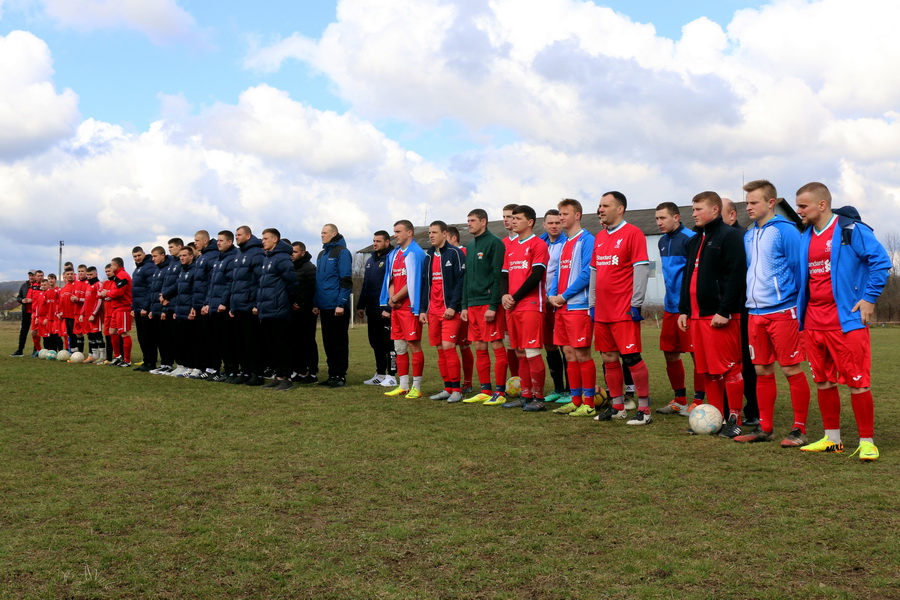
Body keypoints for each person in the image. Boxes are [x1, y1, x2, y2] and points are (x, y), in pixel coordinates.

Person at [795, 182, 890, 461]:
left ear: (821, 205)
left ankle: (867, 441)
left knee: (858, 382)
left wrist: (870, 298)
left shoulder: (850, 229)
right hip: (813, 322)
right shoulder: (805, 236)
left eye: (803, 206)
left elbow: (881, 261)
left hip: (846, 320)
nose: (799, 210)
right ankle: (832, 439)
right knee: (823, 381)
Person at [733, 180, 811, 446]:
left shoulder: (786, 231)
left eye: (753, 202)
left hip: (783, 311)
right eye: (746, 203)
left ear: (771, 202)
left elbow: (801, 272)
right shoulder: (749, 233)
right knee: (762, 370)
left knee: (791, 370)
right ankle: (764, 428)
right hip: (755, 313)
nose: (748, 207)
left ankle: (799, 430)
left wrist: (800, 311)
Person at [678, 191, 748, 438]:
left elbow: (737, 276)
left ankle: (735, 418)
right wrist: (684, 309)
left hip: (720, 316)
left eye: (698, 209)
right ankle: (715, 417)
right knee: (708, 370)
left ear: (715, 210)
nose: (693, 213)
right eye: (693, 209)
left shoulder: (730, 237)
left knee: (730, 368)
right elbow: (688, 277)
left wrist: (725, 310)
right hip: (697, 317)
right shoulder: (695, 239)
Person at [591, 191, 654, 425]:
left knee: (631, 357)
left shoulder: (633, 233)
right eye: (599, 205)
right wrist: (592, 304)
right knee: (608, 357)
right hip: (603, 311)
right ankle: (618, 406)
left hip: (624, 310)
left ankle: (645, 410)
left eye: (605, 205)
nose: (600, 209)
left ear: (620, 209)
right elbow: (595, 273)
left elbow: (641, 269)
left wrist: (636, 303)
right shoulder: (599, 237)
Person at [653, 202, 705, 415]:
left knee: (696, 354)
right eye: (657, 219)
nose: (659, 223)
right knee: (669, 353)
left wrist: (689, 305)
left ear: (676, 217)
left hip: (689, 308)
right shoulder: (663, 241)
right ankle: (679, 398)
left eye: (663, 218)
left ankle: (699, 399)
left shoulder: (691, 238)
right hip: (670, 307)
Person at [548, 199, 597, 416]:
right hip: (561, 307)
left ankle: (589, 403)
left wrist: (564, 296)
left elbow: (587, 273)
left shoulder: (587, 240)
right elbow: (559, 273)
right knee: (568, 353)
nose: (561, 218)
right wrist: (552, 294)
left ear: (577, 215)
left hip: (578, 306)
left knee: (582, 354)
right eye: (560, 213)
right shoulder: (565, 243)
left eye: (565, 214)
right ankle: (575, 400)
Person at [499, 205, 550, 411]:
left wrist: (515, 297)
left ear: (529, 222)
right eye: (512, 218)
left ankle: (539, 397)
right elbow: (504, 274)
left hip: (530, 305)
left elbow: (536, 275)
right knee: (519, 351)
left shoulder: (538, 244)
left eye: (518, 218)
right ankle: (526, 394)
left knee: (531, 351)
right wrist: (505, 295)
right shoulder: (510, 247)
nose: (513, 221)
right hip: (512, 306)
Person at [461, 209, 509, 405]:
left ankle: (500, 391)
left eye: (472, 220)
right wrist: (464, 305)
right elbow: (466, 278)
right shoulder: (470, 246)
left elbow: (499, 277)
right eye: (468, 220)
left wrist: (493, 304)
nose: (469, 224)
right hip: (472, 305)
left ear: (483, 221)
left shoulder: (495, 243)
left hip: (488, 304)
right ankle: (485, 390)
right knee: (479, 346)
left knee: (497, 344)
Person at [420, 220, 466, 403]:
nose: (431, 235)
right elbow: (425, 286)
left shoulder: (455, 254)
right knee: (440, 350)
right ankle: (447, 388)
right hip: (432, 312)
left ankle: (457, 390)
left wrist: (453, 306)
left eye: (434, 232)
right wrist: (423, 309)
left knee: (448, 348)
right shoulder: (428, 257)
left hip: (449, 311)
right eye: (429, 232)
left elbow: (461, 281)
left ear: (444, 234)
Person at [381, 220, 427, 398]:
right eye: (394, 231)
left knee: (413, 344)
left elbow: (414, 281)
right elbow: (390, 278)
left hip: (410, 308)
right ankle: (403, 385)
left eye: (398, 231)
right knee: (399, 346)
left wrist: (396, 298)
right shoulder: (393, 254)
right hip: (397, 308)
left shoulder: (416, 253)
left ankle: (417, 386)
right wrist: (392, 300)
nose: (395, 235)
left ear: (410, 233)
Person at [723, 197, 759, 427]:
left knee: (747, 361)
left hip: (743, 309)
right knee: (728, 362)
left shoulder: (741, 237)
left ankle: (753, 409)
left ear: (732, 215)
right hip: (725, 308)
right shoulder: (716, 237)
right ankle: (727, 408)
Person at [258, 228, 300, 391]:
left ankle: (287, 378)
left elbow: (292, 282)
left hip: (278, 308)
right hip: (267, 309)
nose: (263, 241)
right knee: (272, 345)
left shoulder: (282, 258)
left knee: (282, 344)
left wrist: (288, 300)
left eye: (266, 238)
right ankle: (279, 376)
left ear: (275, 240)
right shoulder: (267, 258)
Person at [313, 223, 353, 388]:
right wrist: (316, 303)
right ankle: (332, 374)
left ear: (334, 233)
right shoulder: (322, 254)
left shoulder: (342, 252)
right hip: (324, 306)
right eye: (321, 232)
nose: (321, 235)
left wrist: (341, 303)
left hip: (337, 306)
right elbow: (318, 281)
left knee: (339, 342)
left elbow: (345, 279)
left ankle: (340, 376)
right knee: (328, 342)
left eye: (324, 232)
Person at [357, 230, 397, 387]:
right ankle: (380, 374)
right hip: (372, 310)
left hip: (386, 310)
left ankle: (392, 375)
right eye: (374, 241)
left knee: (389, 344)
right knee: (375, 343)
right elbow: (366, 284)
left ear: (387, 242)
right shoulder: (370, 260)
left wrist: (389, 307)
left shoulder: (391, 258)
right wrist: (361, 305)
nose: (375, 244)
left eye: (378, 241)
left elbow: (394, 284)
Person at [539, 209, 569, 403]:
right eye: (550, 223)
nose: (554, 226)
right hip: (543, 302)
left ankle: (570, 389)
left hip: (560, 301)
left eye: (558, 222)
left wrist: (557, 296)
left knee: (566, 347)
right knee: (549, 346)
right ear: (544, 225)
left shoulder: (567, 243)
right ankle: (558, 388)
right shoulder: (539, 242)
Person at [229, 226, 265, 386]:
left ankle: (257, 374)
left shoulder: (256, 253)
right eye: (235, 235)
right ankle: (245, 372)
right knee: (239, 342)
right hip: (238, 306)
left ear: (248, 236)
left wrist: (257, 303)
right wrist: (232, 304)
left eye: (239, 235)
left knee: (252, 343)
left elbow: (260, 280)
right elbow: (235, 282)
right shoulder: (239, 253)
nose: (237, 237)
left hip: (250, 306)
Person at [203, 230, 240, 381]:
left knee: (227, 341)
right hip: (213, 305)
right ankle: (222, 370)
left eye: (221, 240)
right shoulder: (219, 258)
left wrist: (224, 302)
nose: (218, 243)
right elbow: (212, 284)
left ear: (230, 242)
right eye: (217, 240)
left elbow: (230, 283)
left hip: (223, 307)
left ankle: (232, 371)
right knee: (217, 341)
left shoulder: (232, 258)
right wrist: (207, 302)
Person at [447, 226, 474, 393]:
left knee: (464, 345)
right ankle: (451, 383)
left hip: (462, 306)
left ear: (453, 238)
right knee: (448, 347)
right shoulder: (444, 255)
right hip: (446, 308)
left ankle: (468, 382)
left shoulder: (463, 252)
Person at [191, 230, 220, 378]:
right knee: (202, 339)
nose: (195, 243)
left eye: (197, 240)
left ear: (206, 241)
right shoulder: (202, 257)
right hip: (198, 304)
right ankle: (205, 367)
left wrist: (207, 302)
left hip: (206, 304)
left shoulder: (212, 256)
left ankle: (213, 368)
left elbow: (211, 282)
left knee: (211, 339)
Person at [154, 238, 184, 375]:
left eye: (171, 247)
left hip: (175, 304)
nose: (170, 249)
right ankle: (166, 364)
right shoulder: (172, 263)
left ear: (179, 246)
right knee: (167, 338)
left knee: (177, 338)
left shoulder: (180, 263)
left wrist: (165, 295)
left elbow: (179, 283)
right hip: (167, 304)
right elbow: (166, 282)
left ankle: (181, 364)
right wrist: (163, 297)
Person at [290, 241, 319, 384]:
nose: (292, 255)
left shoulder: (310, 268)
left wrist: (302, 304)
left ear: (303, 252)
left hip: (307, 312)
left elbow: (313, 289)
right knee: (296, 342)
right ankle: (300, 371)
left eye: (294, 252)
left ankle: (312, 372)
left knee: (308, 342)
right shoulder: (291, 268)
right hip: (294, 312)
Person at [100, 257, 134, 367]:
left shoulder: (122, 275)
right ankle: (118, 356)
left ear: (116, 266)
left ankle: (127, 360)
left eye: (111, 265)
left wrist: (108, 293)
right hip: (116, 308)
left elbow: (119, 292)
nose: (110, 267)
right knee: (112, 331)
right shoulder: (118, 276)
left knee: (123, 333)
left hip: (123, 308)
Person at [146, 247, 173, 372]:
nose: (153, 259)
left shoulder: (168, 268)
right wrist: (151, 308)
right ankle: (163, 364)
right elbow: (153, 291)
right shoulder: (157, 270)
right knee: (158, 338)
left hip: (163, 309)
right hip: (155, 309)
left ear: (163, 255)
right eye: (152, 256)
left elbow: (165, 289)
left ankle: (168, 364)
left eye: (155, 256)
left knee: (165, 339)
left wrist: (163, 309)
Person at [501, 203, 521, 378]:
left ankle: (526, 382)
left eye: (511, 216)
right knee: (509, 342)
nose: (507, 220)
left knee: (523, 345)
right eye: (505, 217)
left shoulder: (527, 241)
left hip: (523, 300)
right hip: (505, 300)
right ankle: (515, 379)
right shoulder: (502, 243)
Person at [131, 246, 156, 371]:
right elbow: (135, 291)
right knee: (141, 337)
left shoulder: (149, 267)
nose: (137, 258)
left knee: (148, 337)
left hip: (144, 309)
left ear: (144, 254)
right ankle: (146, 361)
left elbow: (151, 289)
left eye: (139, 255)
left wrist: (146, 307)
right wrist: (133, 307)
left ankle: (151, 362)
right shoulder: (137, 270)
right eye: (135, 256)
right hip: (137, 308)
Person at [11, 269, 38, 356]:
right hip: (25, 312)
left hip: (35, 312)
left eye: (32, 275)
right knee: (23, 331)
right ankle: (20, 350)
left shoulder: (39, 286)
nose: (31, 277)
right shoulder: (24, 286)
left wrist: (32, 300)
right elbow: (18, 297)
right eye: (30, 275)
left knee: (35, 332)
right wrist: (22, 300)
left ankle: (36, 350)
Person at [81, 266, 105, 363]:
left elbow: (99, 300)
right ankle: (94, 356)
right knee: (90, 335)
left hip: (95, 315)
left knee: (97, 335)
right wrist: (82, 314)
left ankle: (102, 356)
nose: (89, 276)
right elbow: (86, 301)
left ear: (96, 274)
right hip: (87, 315)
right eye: (88, 275)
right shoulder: (87, 285)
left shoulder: (98, 284)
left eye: (91, 274)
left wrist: (93, 314)